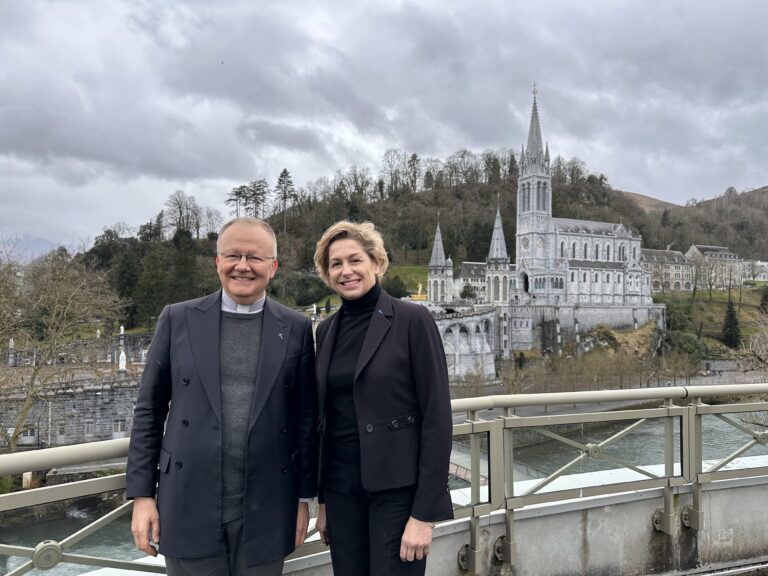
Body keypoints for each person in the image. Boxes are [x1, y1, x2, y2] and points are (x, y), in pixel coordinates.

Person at [126, 217, 318, 576]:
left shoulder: (295, 327)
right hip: (186, 501)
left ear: (273, 267)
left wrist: (303, 500)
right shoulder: (177, 318)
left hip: (269, 507)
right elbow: (149, 410)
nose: (242, 266)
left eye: (255, 257)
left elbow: (304, 420)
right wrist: (141, 496)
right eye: (232, 255)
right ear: (217, 261)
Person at [313, 220, 453, 576]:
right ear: (327, 274)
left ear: (376, 263)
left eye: (355, 260)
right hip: (343, 491)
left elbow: (437, 419)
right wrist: (324, 501)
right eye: (336, 264)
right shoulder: (326, 330)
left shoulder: (412, 320)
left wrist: (425, 514)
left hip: (398, 493)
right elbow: (327, 421)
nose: (346, 271)